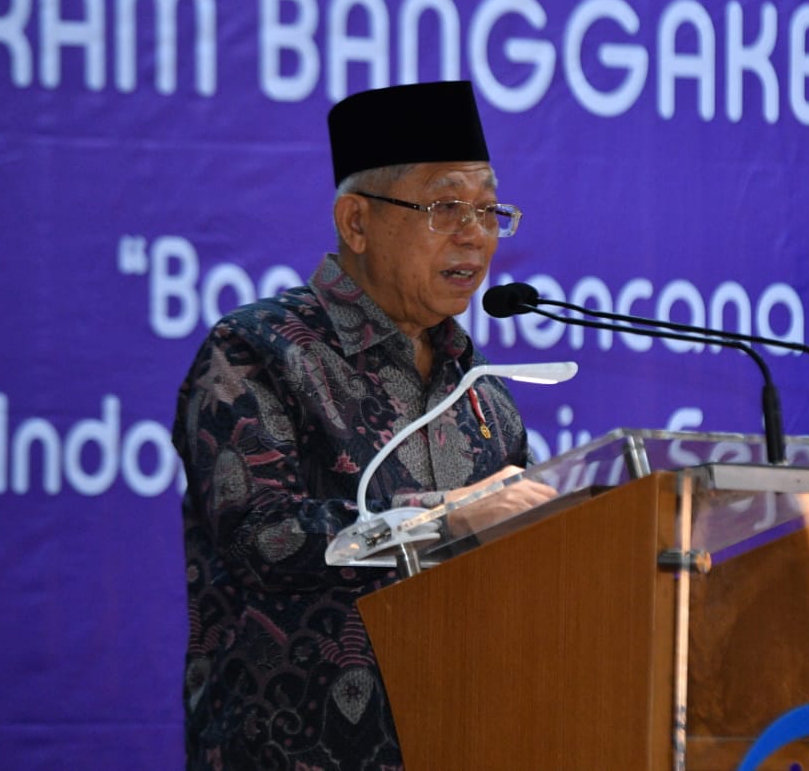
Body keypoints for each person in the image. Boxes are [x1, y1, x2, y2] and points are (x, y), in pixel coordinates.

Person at [173, 81, 555, 770]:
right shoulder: (259, 350)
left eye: (489, 209)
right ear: (356, 222)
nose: (475, 233)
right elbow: (263, 536)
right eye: (445, 206)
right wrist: (447, 517)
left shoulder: (480, 389)